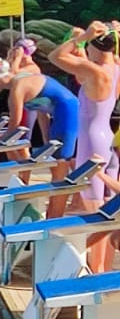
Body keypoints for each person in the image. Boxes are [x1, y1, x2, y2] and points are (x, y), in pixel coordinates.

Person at [49, 23, 120, 261]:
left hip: (92, 144)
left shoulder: (95, 71)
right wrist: (85, 45)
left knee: (95, 214)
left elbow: (55, 56)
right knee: (110, 212)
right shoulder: (114, 67)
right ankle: (103, 268)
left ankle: (94, 270)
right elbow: (81, 75)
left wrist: (81, 39)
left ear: (94, 46)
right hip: (108, 141)